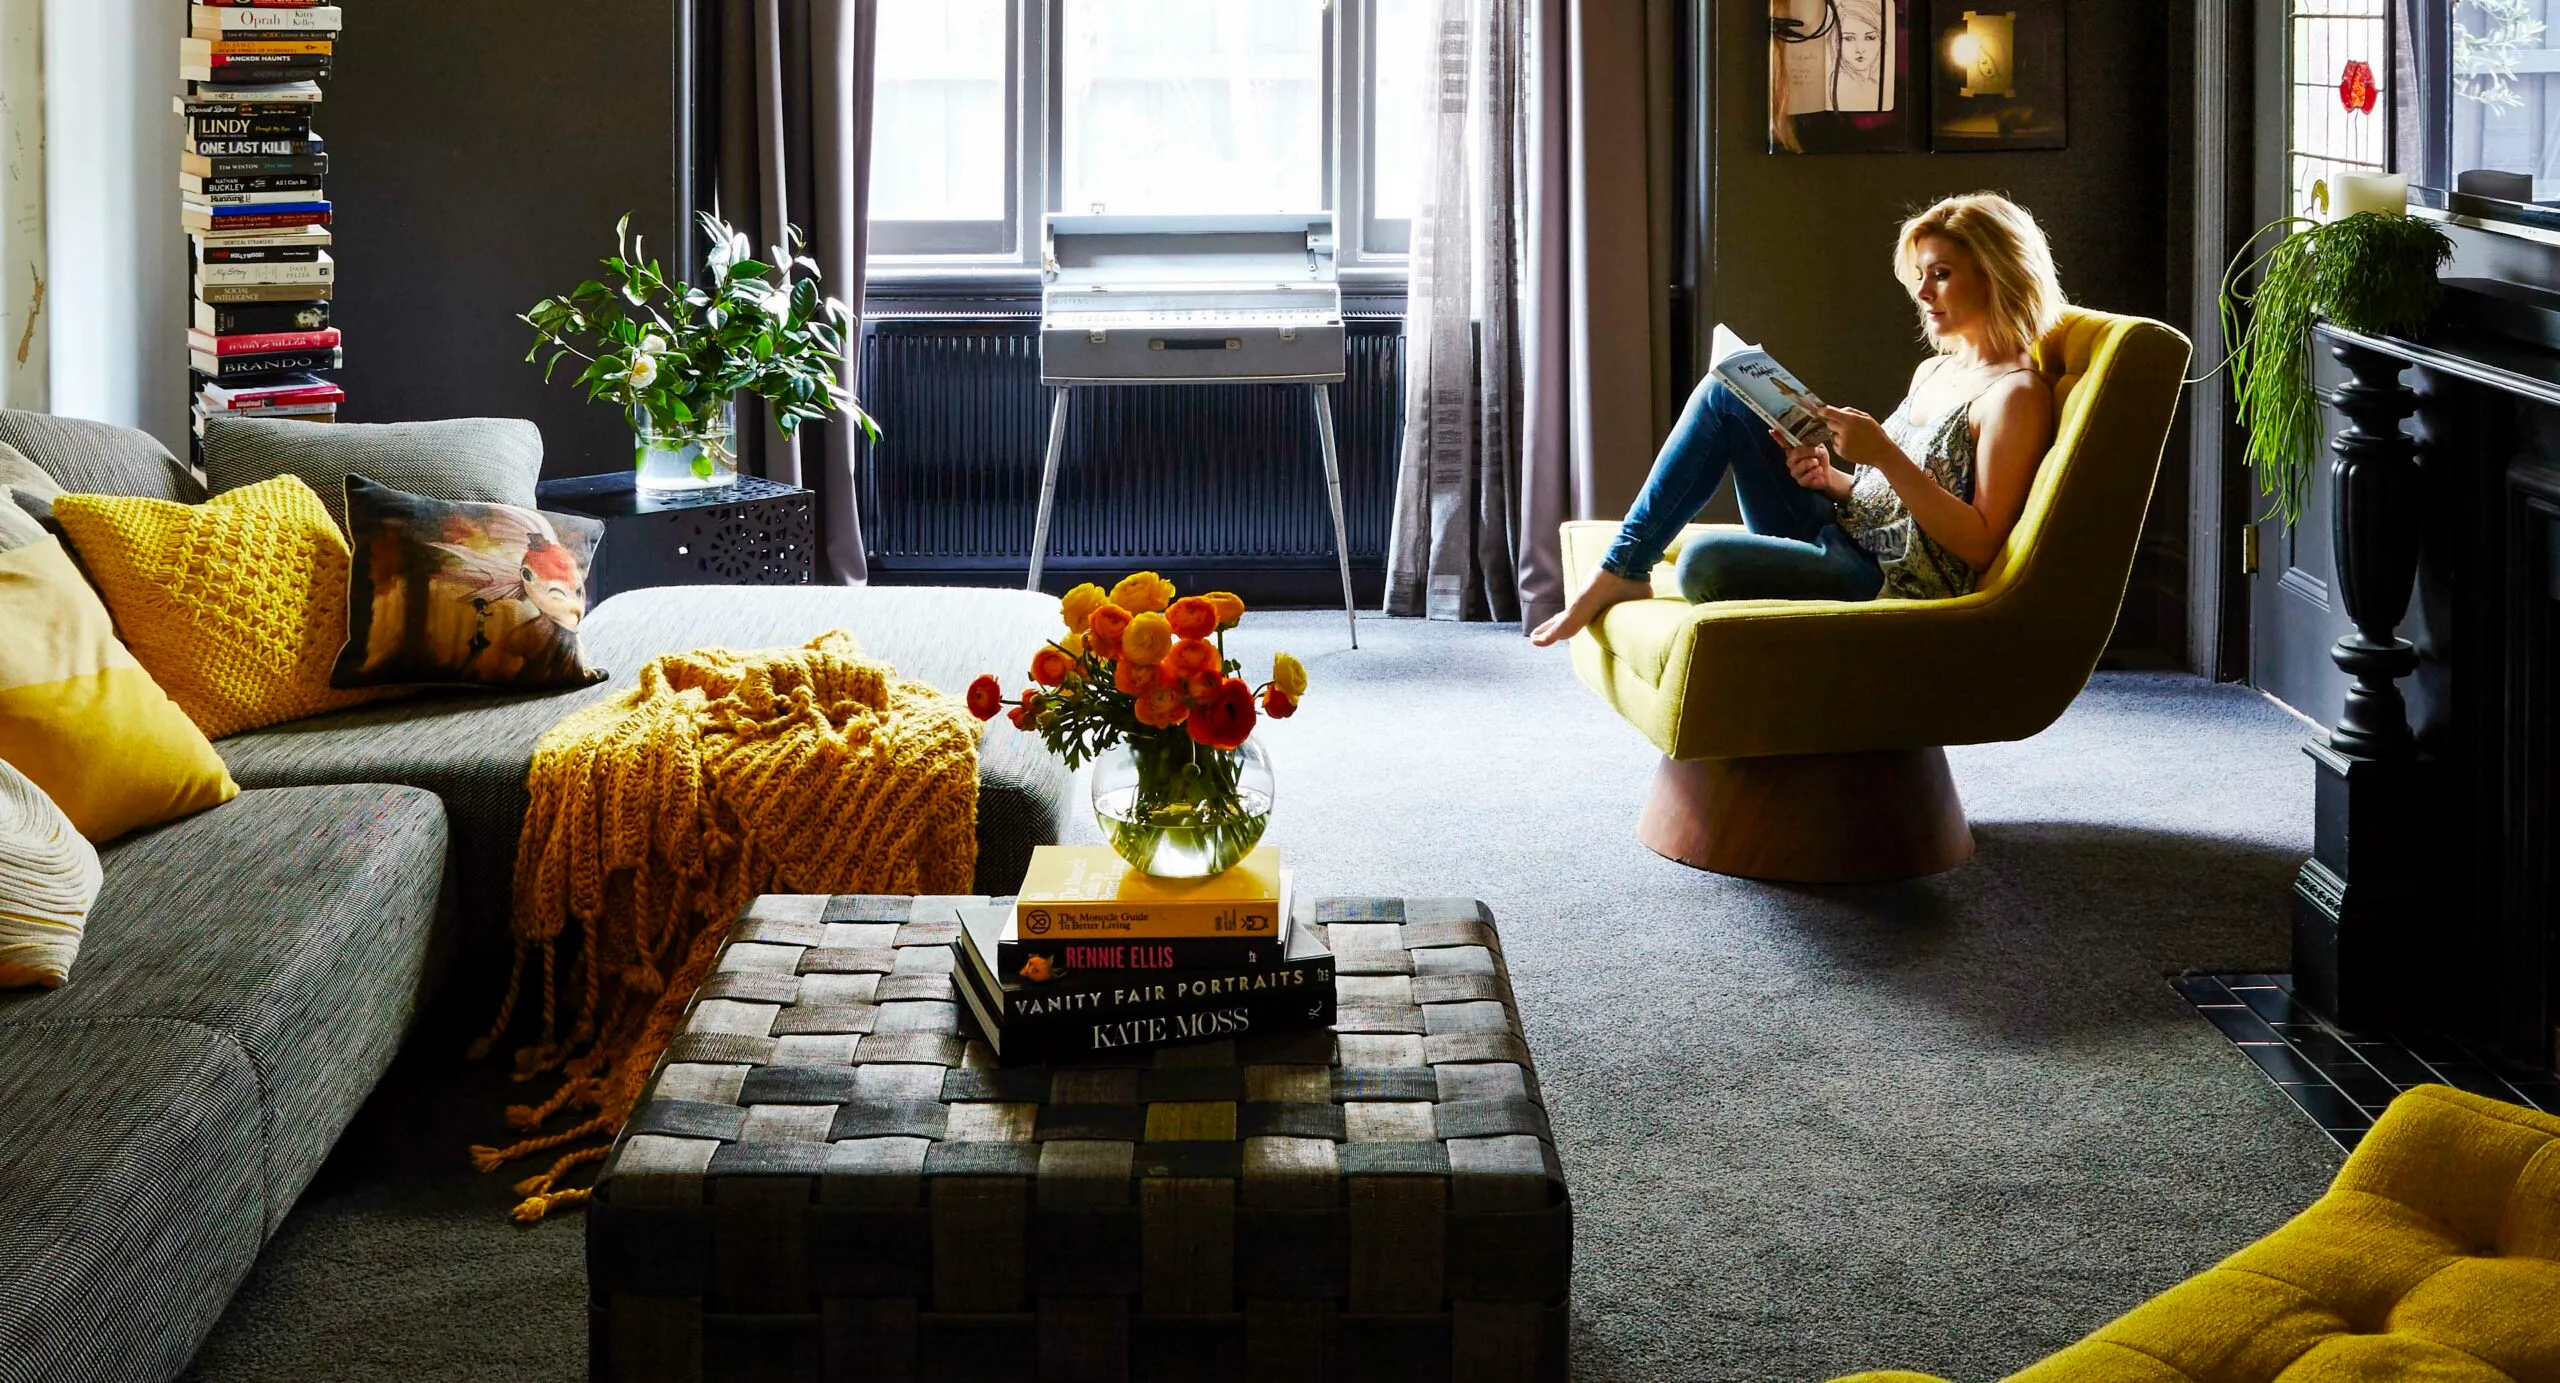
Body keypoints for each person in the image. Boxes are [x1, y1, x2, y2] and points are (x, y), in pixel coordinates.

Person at [1529, 191, 2063, 647]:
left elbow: (1981, 543)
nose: (1922, 294)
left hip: (1885, 579)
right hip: (1845, 533)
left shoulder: (2015, 397)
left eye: (1941, 275)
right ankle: (1623, 569)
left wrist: (1883, 455)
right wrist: (1834, 481)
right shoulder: (1934, 369)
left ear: (1998, 275)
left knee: (1700, 562)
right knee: (1726, 391)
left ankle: (1624, 569)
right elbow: (1900, 503)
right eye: (1921, 275)